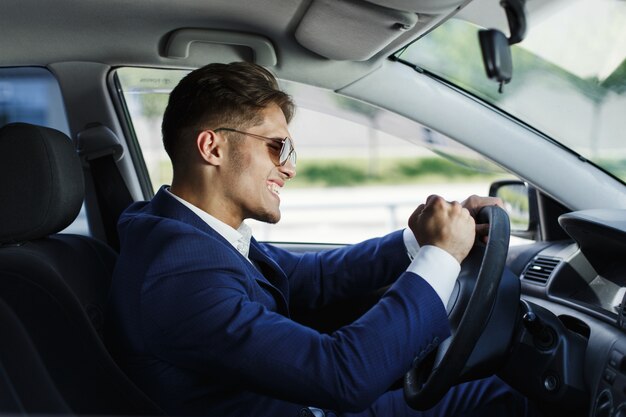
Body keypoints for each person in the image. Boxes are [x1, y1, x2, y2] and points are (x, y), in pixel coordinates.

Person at [106, 62, 532, 417]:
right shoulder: (180, 273)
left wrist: (418, 240)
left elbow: (312, 276)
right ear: (212, 148)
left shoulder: (187, 232)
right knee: (494, 396)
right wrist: (440, 257)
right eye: (277, 148)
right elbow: (342, 376)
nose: (289, 168)